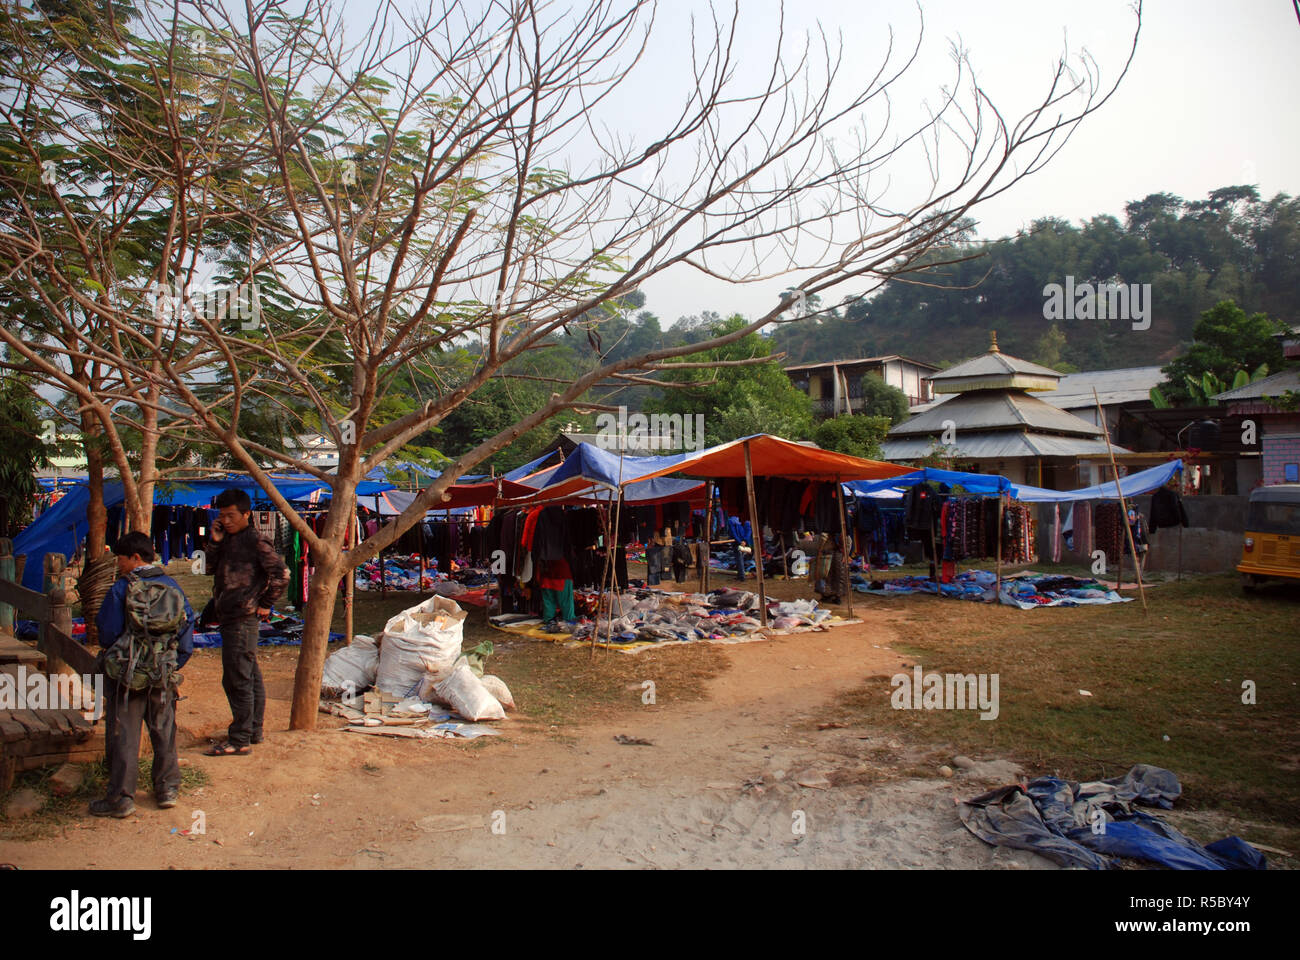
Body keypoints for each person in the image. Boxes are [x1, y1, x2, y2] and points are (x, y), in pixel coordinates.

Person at [90, 532, 195, 818]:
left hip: (127, 677)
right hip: (162, 674)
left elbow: (108, 633)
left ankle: (122, 799)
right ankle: (167, 789)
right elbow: (186, 629)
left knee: (125, 735)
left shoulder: (120, 589)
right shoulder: (172, 585)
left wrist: (121, 664)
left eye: (121, 559)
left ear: (135, 558)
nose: (119, 565)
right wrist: (172, 664)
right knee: (164, 732)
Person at [202, 489, 289, 756]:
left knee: (237, 677)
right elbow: (209, 569)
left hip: (243, 617)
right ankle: (252, 730)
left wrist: (265, 603)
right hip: (229, 616)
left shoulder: (255, 540)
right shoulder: (228, 539)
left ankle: (239, 739)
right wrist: (215, 541)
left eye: (231, 516)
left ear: (246, 514)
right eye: (222, 516)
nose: (226, 521)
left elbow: (281, 574)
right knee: (249, 674)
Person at [540, 555, 575, 632]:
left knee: (549, 602)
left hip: (546, 572)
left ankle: (549, 622)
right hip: (562, 574)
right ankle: (569, 623)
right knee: (566, 602)